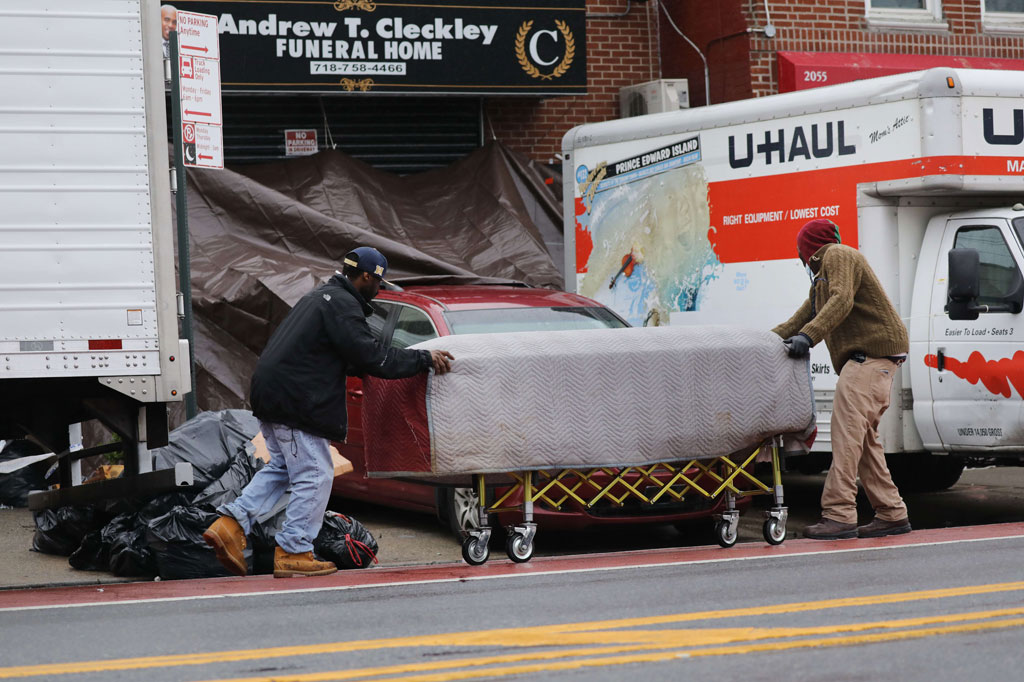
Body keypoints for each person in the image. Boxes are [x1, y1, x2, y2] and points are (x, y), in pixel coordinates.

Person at [203, 247, 454, 577]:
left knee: (282, 468)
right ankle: (295, 550)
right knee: (315, 474)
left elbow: (336, 353)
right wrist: (422, 359)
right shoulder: (343, 305)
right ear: (366, 277)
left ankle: (230, 524)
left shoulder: (322, 297)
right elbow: (370, 356)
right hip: (296, 401)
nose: (379, 290)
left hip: (273, 393)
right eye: (378, 282)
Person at [772, 218, 911, 540]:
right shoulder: (823, 275)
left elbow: (841, 300)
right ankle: (892, 513)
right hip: (871, 361)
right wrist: (762, 342)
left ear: (807, 247)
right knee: (863, 443)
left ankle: (839, 515)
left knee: (846, 437)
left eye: (800, 249)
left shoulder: (837, 255)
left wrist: (808, 338)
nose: (800, 257)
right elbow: (800, 318)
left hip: (868, 359)